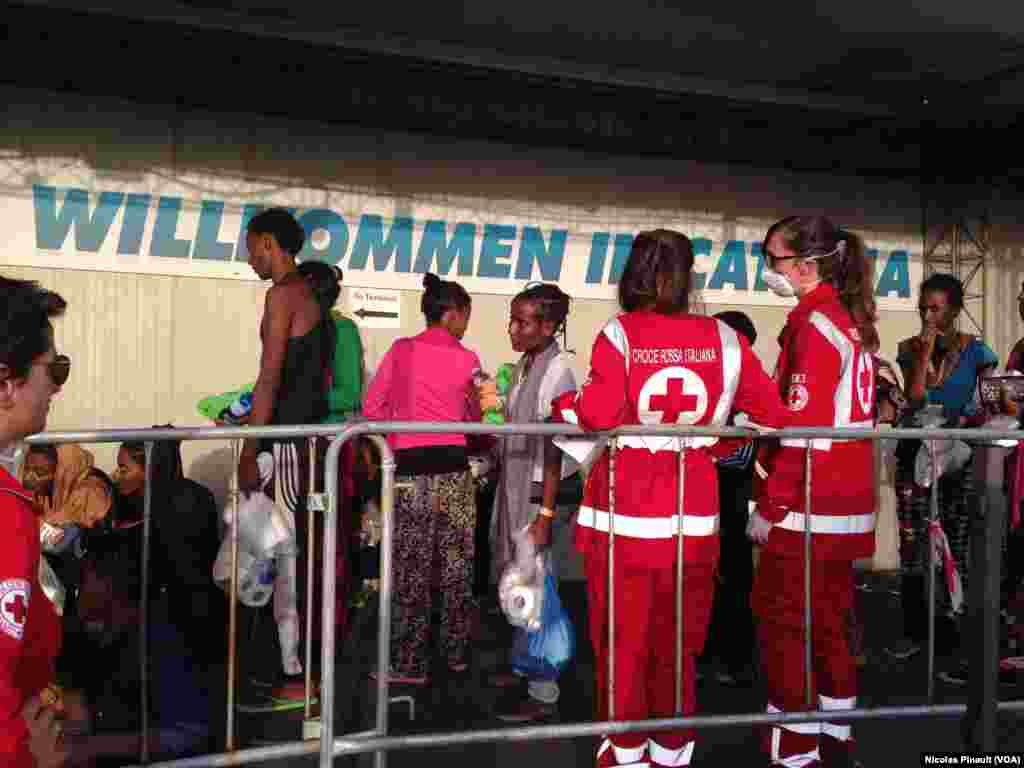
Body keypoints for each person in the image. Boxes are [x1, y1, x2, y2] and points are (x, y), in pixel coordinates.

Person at [549, 231, 790, 768]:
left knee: (622, 649)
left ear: (633, 273)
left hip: (625, 519)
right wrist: (719, 436)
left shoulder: (622, 332)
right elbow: (773, 414)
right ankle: (672, 754)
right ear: (687, 277)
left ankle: (626, 755)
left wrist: (566, 405)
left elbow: (600, 412)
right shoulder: (726, 338)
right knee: (679, 648)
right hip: (695, 517)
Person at [749, 215, 879, 768]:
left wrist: (770, 504)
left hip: (808, 505)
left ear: (805, 265)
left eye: (774, 260)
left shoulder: (815, 325)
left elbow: (801, 435)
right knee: (829, 624)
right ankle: (834, 736)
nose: (768, 271)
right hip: (843, 505)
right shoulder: (847, 320)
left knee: (784, 626)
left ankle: (796, 749)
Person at [363, 272, 480, 685]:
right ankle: (456, 655)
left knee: (409, 568)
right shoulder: (469, 359)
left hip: (408, 473)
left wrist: (396, 435)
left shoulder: (401, 351)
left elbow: (372, 408)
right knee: (455, 566)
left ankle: (409, 662)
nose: (467, 324)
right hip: (454, 471)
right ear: (452, 314)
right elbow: (475, 419)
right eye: (466, 315)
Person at [886, 274, 998, 682]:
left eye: (936, 308)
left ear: (954, 308)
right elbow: (916, 396)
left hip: (960, 454)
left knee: (958, 539)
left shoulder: (979, 352)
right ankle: (916, 631)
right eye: (923, 308)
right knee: (914, 540)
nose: (928, 315)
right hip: (916, 454)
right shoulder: (908, 349)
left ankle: (956, 635)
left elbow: (985, 402)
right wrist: (927, 348)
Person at [239, 208, 329, 702]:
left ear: (270, 244)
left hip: (291, 448)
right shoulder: (311, 297)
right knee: (287, 559)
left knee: (287, 561)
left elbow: (269, 377)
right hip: (303, 445)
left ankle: (298, 676)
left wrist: (251, 447)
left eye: (252, 247)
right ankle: (291, 667)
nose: (249, 257)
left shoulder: (283, 295)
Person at [480, 283, 581, 722]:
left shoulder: (558, 368)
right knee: (520, 585)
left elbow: (555, 445)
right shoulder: (526, 363)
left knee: (541, 593)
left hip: (541, 496)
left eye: (523, 322)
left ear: (548, 325)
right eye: (512, 319)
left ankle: (543, 690)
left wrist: (544, 512)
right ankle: (525, 665)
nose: (513, 328)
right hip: (518, 490)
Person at [0, 275, 72, 767]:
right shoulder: (5, 512)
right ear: (7, 384)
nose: (56, 389)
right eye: (56, 369)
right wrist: (25, 755)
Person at [702, 310, 759, 687]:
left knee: (734, 583)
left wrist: (702, 451)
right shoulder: (710, 387)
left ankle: (736, 660)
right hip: (704, 505)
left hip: (732, 507)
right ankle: (707, 652)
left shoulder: (749, 391)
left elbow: (741, 456)